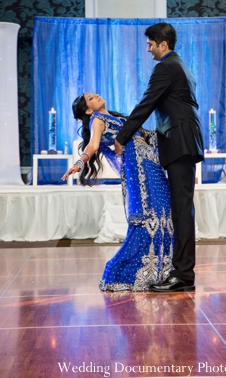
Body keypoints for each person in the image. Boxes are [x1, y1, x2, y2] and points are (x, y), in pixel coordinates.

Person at [114, 22, 204, 292]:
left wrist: (122, 137)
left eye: (151, 44)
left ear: (163, 44)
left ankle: (183, 275)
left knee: (181, 210)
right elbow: (172, 106)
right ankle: (182, 272)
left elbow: (147, 103)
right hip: (183, 139)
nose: (148, 49)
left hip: (179, 141)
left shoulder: (165, 66)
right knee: (182, 208)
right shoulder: (181, 66)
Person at [62, 93, 174, 291]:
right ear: (89, 110)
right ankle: (129, 271)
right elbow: (93, 145)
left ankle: (162, 269)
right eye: (90, 98)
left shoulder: (119, 119)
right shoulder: (97, 119)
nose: (95, 95)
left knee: (163, 211)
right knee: (149, 214)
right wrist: (80, 162)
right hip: (139, 168)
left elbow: (148, 135)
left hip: (151, 163)